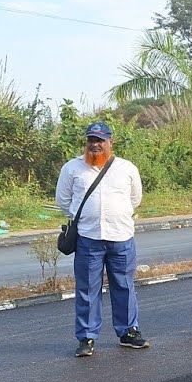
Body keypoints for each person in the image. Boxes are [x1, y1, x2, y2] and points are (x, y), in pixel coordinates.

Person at [55, 121, 147, 357]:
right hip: (88, 238)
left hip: (121, 237)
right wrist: (86, 217)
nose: (95, 144)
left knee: (124, 285)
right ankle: (86, 337)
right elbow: (63, 201)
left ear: (110, 142)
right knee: (87, 289)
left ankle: (128, 332)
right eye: (91, 140)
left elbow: (135, 199)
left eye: (100, 140)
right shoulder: (72, 168)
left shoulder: (126, 168)